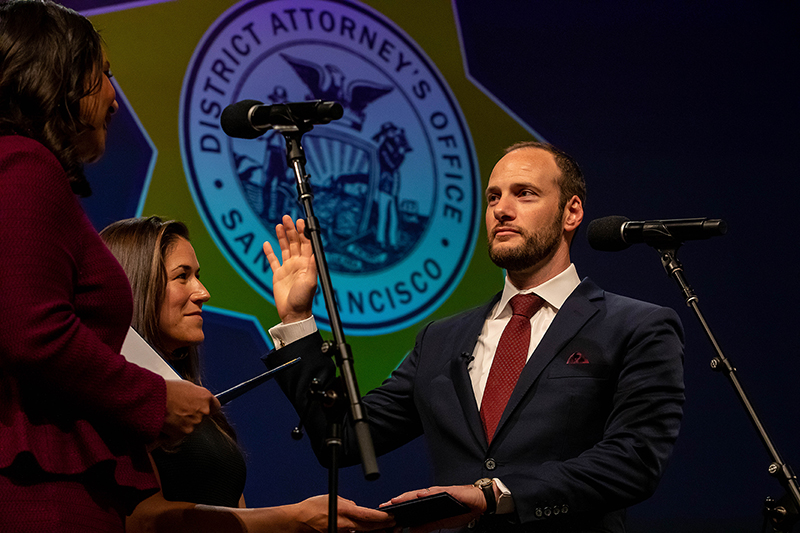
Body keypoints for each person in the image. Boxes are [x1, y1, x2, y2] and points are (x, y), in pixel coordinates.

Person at [261, 141, 686, 532]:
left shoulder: (635, 326)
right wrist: (298, 319)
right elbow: (348, 438)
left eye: (525, 194)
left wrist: (494, 495)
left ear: (571, 212)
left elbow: (634, 461)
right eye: (493, 197)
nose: (502, 209)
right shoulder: (441, 338)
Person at [0, 2, 218, 531]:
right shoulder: (25, 165)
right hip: (36, 496)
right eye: (104, 75)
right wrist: (152, 400)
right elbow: (31, 330)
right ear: (60, 76)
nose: (115, 99)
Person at [100, 216, 394, 533]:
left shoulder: (197, 410)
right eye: (182, 277)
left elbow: (235, 517)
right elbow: (138, 520)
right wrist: (293, 519)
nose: (203, 292)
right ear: (134, 286)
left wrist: (296, 317)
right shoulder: (112, 399)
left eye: (197, 276)